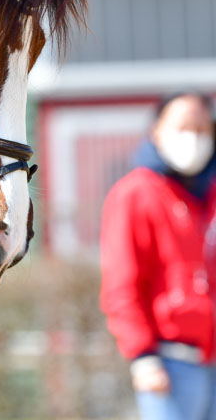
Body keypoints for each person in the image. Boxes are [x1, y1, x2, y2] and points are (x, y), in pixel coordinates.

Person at [100, 92, 216, 420]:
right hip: (170, 363)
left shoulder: (211, 192)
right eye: (183, 127)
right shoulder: (135, 194)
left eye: (202, 128)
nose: (193, 136)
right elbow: (121, 285)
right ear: (157, 132)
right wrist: (142, 358)